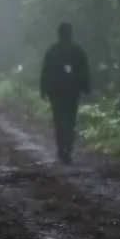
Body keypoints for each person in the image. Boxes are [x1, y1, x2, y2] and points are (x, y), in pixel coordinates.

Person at [40, 22, 90, 164]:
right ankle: (67, 147)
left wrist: (44, 89)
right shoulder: (77, 51)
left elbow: (46, 72)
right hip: (72, 91)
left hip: (56, 92)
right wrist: (85, 87)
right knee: (70, 119)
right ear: (70, 34)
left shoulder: (52, 51)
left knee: (59, 118)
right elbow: (84, 71)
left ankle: (62, 148)